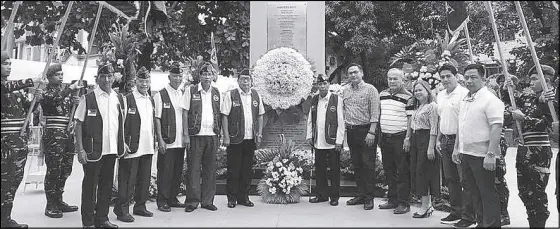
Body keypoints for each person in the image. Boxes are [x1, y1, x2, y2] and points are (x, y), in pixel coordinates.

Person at [74, 62, 126, 228]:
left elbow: (121, 123)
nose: (106, 80)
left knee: (106, 186)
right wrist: (80, 149)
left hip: (111, 149)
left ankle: (102, 219)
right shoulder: (88, 98)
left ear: (114, 78)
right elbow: (78, 124)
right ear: (97, 78)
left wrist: (122, 143)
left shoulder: (118, 98)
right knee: (90, 186)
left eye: (109, 76)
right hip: (92, 150)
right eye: (102, 76)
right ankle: (88, 222)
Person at [453, 63, 503, 228]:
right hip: (467, 154)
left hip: (483, 156)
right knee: (474, 193)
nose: (469, 81)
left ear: (483, 78)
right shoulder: (466, 99)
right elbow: (462, 125)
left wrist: (490, 154)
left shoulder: (490, 99)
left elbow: (496, 127)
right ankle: (481, 223)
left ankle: (492, 225)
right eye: (466, 77)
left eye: (473, 77)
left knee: (488, 194)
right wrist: (457, 149)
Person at [507, 65, 558, 228]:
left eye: (535, 79)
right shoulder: (530, 97)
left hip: (539, 150)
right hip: (524, 149)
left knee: (537, 193)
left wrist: (524, 119)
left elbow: (549, 125)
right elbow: (512, 100)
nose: (530, 82)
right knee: (524, 192)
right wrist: (508, 87)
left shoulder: (552, 100)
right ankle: (532, 223)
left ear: (546, 80)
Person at [1, 50, 44, 228]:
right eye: (5, 63)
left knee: (12, 184)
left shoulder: (15, 92)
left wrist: (36, 100)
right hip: (4, 146)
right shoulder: (6, 87)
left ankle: (5, 219)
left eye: (10, 64)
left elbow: (28, 111)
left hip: (19, 145)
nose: (8, 67)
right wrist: (30, 80)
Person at [38, 63, 82, 218]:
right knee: (54, 170)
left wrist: (74, 102)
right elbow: (55, 101)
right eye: (57, 74)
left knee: (66, 168)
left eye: (62, 74)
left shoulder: (64, 93)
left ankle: (59, 199)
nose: (61, 77)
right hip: (53, 134)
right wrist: (69, 90)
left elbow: (69, 112)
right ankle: (50, 204)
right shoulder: (45, 92)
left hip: (66, 132)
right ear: (49, 77)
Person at [434, 64, 476, 227]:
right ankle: (455, 211)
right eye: (442, 77)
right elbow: (441, 119)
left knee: (464, 180)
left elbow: (463, 122)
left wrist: (458, 146)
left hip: (460, 141)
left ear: (456, 76)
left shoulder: (464, 94)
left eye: (448, 76)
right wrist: (438, 139)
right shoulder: (441, 95)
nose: (445, 79)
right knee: (451, 179)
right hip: (444, 140)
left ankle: (469, 216)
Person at [113, 67, 155, 222]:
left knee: (144, 179)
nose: (144, 84)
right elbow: (120, 124)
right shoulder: (127, 99)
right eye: (141, 81)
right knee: (127, 180)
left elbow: (150, 123)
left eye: (146, 81)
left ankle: (140, 206)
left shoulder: (150, 99)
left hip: (147, 145)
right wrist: (121, 143)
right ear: (135, 81)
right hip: (131, 146)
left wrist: (154, 140)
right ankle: (122, 209)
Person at [180, 62, 222, 212]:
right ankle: (192, 201)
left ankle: (207, 201)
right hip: (195, 135)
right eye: (204, 74)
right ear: (200, 76)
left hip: (212, 135)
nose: (207, 77)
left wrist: (220, 134)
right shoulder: (190, 91)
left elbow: (220, 114)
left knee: (210, 170)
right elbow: (184, 113)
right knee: (194, 169)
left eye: (209, 74)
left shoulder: (217, 93)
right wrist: (186, 134)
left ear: (212, 76)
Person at [221, 69, 265, 208]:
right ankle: (232, 198)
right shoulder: (231, 95)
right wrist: (226, 135)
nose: (246, 82)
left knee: (247, 169)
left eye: (248, 79)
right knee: (234, 169)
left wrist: (259, 133)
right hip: (235, 138)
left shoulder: (256, 95)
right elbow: (224, 116)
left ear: (251, 81)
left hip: (250, 138)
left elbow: (260, 115)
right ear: (238, 80)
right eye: (243, 79)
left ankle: (244, 197)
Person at [342, 63, 380, 210]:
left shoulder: (371, 90)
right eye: (350, 73)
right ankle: (360, 194)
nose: (353, 75)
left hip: (366, 131)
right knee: (356, 164)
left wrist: (372, 132)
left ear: (362, 73)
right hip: (351, 132)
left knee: (368, 164)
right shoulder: (345, 90)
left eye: (355, 72)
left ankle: (369, 197)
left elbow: (375, 112)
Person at [305, 74, 344, 206]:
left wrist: (339, 140)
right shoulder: (315, 99)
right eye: (320, 84)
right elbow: (311, 119)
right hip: (318, 140)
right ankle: (322, 195)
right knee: (320, 169)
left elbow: (341, 121)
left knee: (334, 170)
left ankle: (334, 196)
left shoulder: (336, 99)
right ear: (317, 85)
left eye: (324, 84)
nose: (322, 86)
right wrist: (309, 135)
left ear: (329, 84)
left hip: (332, 141)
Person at [377, 68, 412, 214]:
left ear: (402, 80)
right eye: (390, 78)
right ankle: (392, 199)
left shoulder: (408, 96)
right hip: (385, 138)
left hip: (400, 138)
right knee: (389, 170)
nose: (392, 81)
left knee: (402, 171)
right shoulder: (382, 94)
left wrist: (408, 138)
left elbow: (410, 119)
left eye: (395, 79)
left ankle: (404, 203)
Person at [153, 62, 186, 212]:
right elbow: (157, 118)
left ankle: (173, 197)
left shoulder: (183, 93)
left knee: (177, 170)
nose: (177, 79)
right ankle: (162, 200)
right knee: (165, 171)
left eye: (180, 76)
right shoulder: (160, 95)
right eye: (175, 76)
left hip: (180, 140)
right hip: (167, 140)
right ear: (169, 77)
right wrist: (159, 139)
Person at [405, 80, 440, 219]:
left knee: (424, 172)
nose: (418, 93)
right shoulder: (419, 106)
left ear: (427, 91)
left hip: (425, 140)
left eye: (420, 90)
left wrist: (431, 147)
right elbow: (412, 123)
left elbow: (434, 127)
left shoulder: (432, 106)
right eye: (415, 91)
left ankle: (425, 206)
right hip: (416, 139)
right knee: (417, 171)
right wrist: (408, 138)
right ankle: (427, 204)